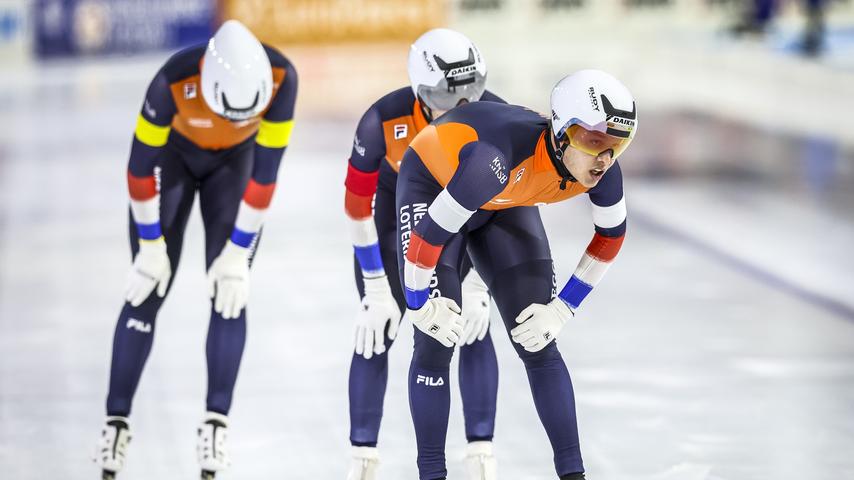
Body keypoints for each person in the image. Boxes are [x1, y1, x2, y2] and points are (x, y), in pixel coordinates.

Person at [395, 69, 636, 480]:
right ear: (561, 132)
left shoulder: (603, 170)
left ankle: (573, 474)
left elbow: (611, 237)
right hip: (437, 185)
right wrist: (417, 304)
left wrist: (562, 309)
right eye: (594, 140)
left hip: (505, 199)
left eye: (617, 144)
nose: (604, 158)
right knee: (435, 340)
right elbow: (426, 240)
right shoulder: (493, 161)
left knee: (539, 340)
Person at [92, 19, 297, 480]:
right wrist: (149, 245)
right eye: (230, 115)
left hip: (236, 168)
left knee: (229, 289)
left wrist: (238, 253)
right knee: (146, 288)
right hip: (174, 160)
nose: (235, 123)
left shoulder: (284, 78)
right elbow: (139, 170)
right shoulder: (171, 80)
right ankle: (116, 422)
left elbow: (264, 178)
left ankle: (215, 423)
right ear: (207, 85)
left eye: (246, 117)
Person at [343, 28, 505, 480]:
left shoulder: (496, 111)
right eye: (445, 96)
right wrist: (375, 285)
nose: (461, 108)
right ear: (418, 92)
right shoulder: (382, 120)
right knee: (376, 327)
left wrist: (479, 284)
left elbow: (516, 201)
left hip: (471, 220)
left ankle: (480, 455)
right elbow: (358, 206)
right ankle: (361, 459)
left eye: (471, 92)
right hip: (400, 222)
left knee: (470, 326)